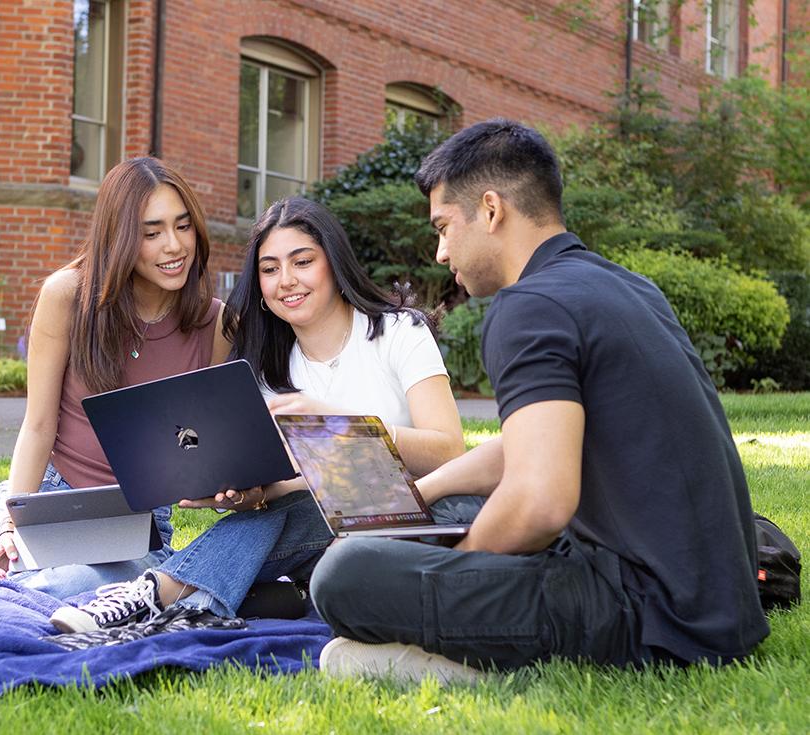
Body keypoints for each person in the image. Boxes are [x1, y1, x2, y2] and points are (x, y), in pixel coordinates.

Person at [309, 119, 770, 682]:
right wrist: (417, 496)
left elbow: (540, 502)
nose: (440, 252)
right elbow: (532, 444)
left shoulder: (529, 307)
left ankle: (462, 663)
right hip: (717, 605)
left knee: (345, 574)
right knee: (446, 512)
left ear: (491, 209)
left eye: (445, 227)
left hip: (648, 618)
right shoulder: (625, 287)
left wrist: (458, 571)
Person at [48, 196, 467, 632]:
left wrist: (335, 425)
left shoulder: (399, 332)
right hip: (323, 545)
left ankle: (156, 592)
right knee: (292, 506)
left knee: (328, 493)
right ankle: (197, 599)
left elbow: (449, 450)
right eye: (269, 269)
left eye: (302, 261)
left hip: (411, 523)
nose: (286, 281)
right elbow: (294, 484)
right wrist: (252, 495)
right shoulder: (268, 368)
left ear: (334, 264)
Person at [0, 157, 230, 599]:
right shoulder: (67, 296)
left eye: (183, 227)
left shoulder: (214, 323)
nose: (174, 245)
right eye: (152, 232)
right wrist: (13, 525)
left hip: (134, 522)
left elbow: (200, 447)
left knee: (51, 589)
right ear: (121, 238)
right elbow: (38, 425)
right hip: (48, 498)